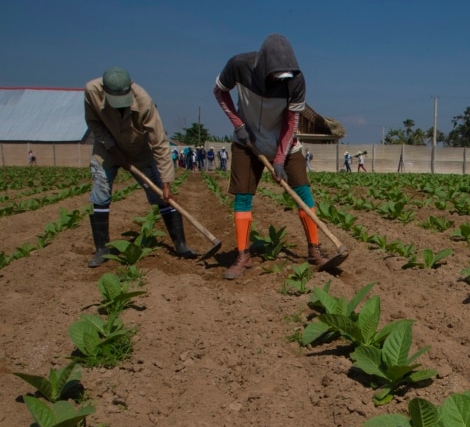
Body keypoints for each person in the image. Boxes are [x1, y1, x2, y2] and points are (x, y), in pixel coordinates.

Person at [213, 33, 345, 279]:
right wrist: (238, 124)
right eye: (277, 74)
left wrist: (280, 158)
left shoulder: (296, 82)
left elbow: (291, 121)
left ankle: (314, 251)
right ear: (264, 67)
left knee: (304, 193)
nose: (282, 79)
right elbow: (219, 92)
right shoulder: (238, 66)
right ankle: (243, 254)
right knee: (243, 197)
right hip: (247, 142)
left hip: (284, 143)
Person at [84, 66, 196, 268]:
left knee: (162, 197)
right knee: (100, 194)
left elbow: (160, 144)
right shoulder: (92, 91)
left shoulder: (144, 101)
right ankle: (102, 249)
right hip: (106, 150)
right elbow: (94, 123)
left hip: (139, 150)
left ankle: (181, 245)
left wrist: (167, 183)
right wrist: (114, 149)